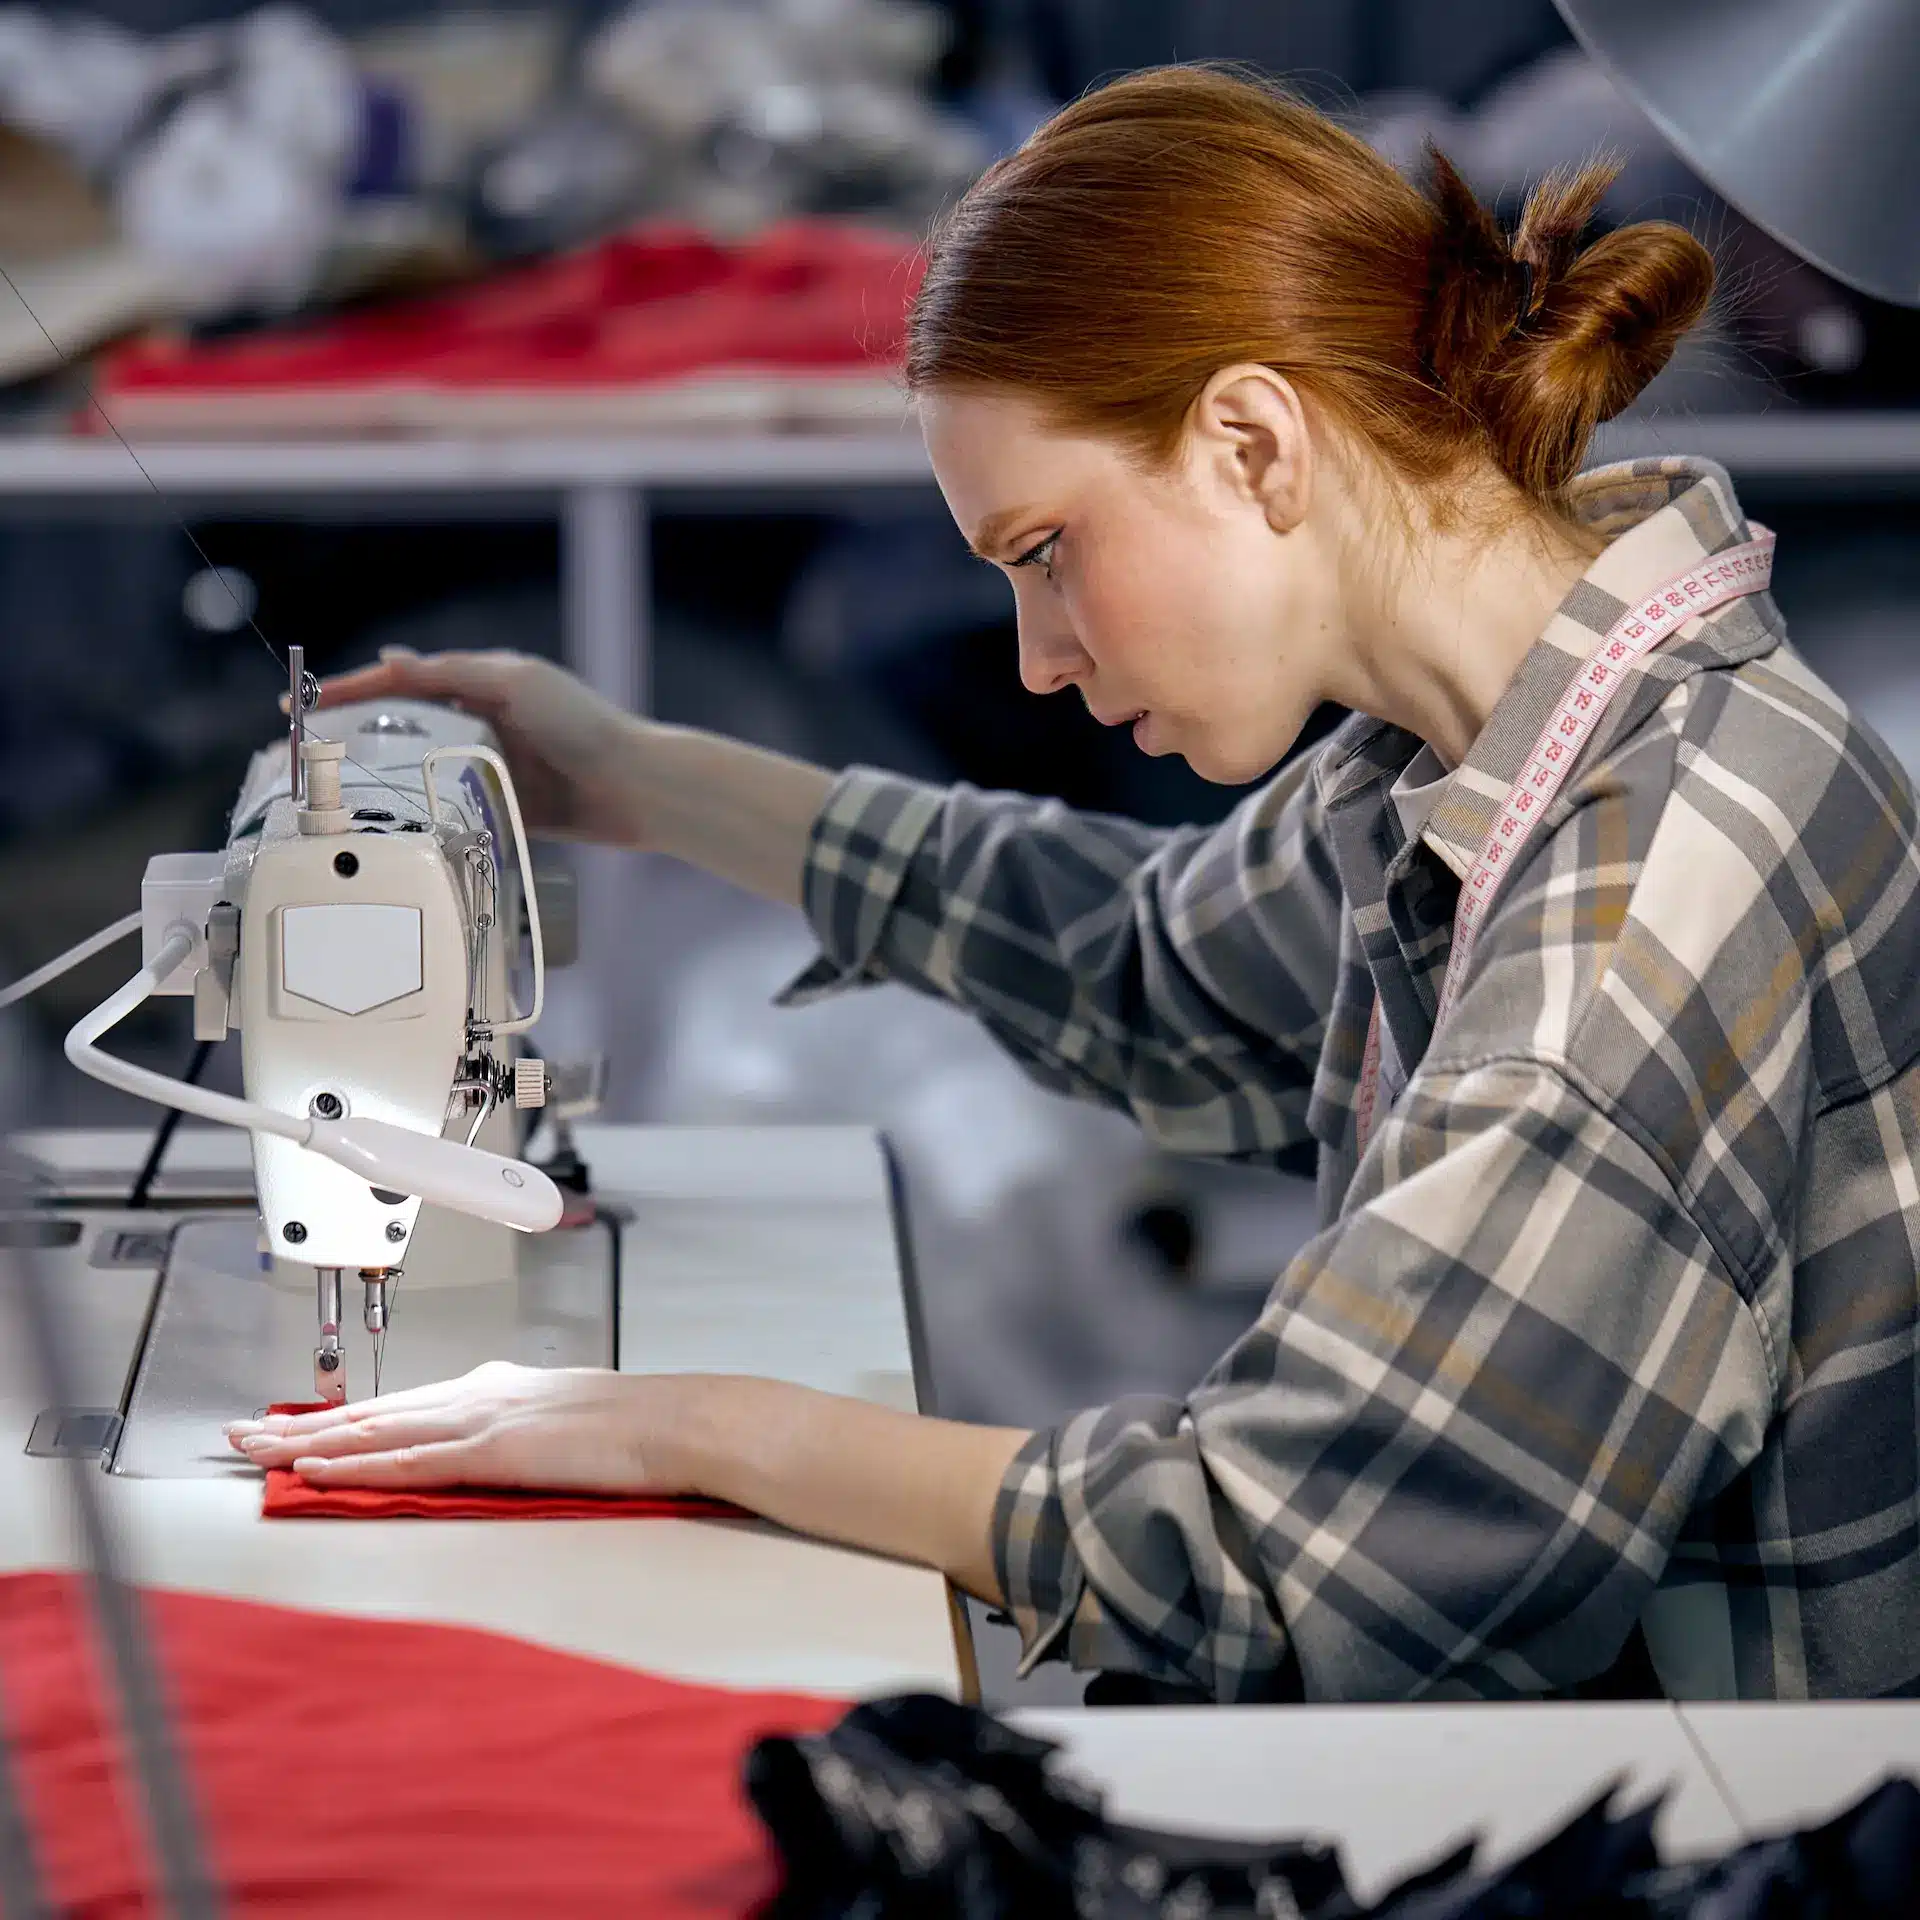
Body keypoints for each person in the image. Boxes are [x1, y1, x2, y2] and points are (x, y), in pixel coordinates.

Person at [227, 66, 1920, 1703]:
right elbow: (1149, 970)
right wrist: (636, 780)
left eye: (1047, 556)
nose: (1037, 659)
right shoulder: (1508, 731)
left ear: (1257, 444)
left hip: (1714, 1810)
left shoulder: (1635, 906)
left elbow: (1277, 1560)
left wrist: (696, 1429)